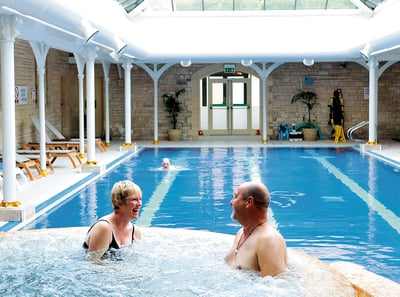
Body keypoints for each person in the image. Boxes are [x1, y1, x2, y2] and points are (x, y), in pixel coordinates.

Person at [225, 181, 288, 277]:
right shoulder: (241, 233)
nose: (231, 202)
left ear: (249, 202)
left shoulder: (268, 240)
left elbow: (277, 286)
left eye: (236, 197)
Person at [83, 180, 143, 263]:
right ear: (118, 203)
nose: (139, 204)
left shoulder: (135, 231)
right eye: (134, 200)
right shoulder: (104, 227)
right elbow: (93, 262)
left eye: (140, 199)